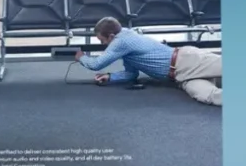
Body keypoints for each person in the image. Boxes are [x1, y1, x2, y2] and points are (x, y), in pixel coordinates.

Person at [75, 17, 222, 106]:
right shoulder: (125, 46)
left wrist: (80, 56)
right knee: (208, 96)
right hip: (180, 77)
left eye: (102, 40)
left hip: (187, 61)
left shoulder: (121, 41)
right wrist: (111, 77)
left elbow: (96, 64)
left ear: (112, 36)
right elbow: (131, 74)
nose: (102, 44)